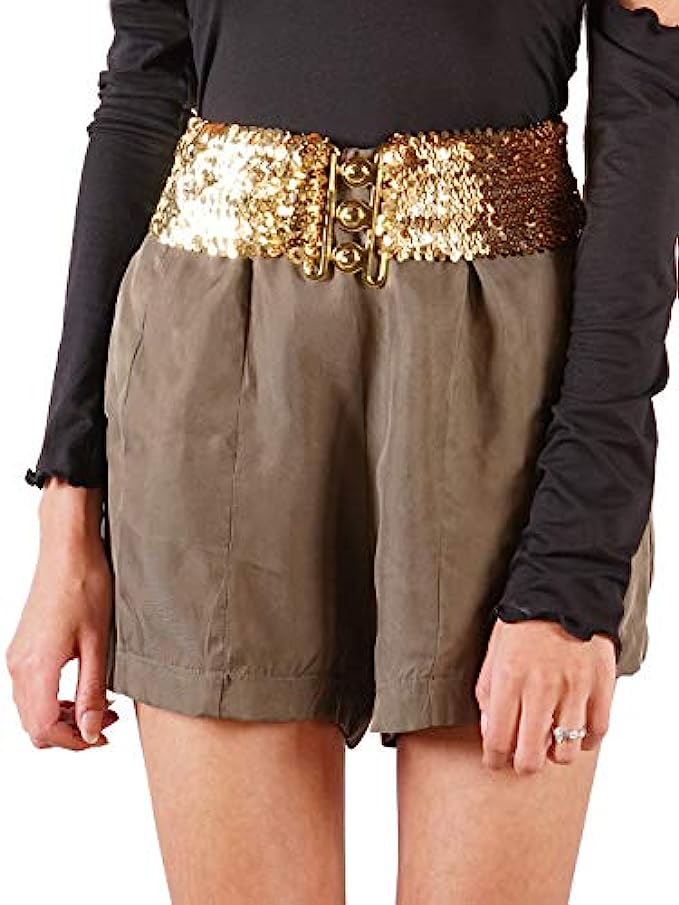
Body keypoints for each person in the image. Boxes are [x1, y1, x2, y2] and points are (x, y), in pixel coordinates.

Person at [7, 1, 679, 902]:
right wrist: (67, 509)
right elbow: (141, 96)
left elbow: (649, 119)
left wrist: (575, 567)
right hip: (213, 386)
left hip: (502, 406)